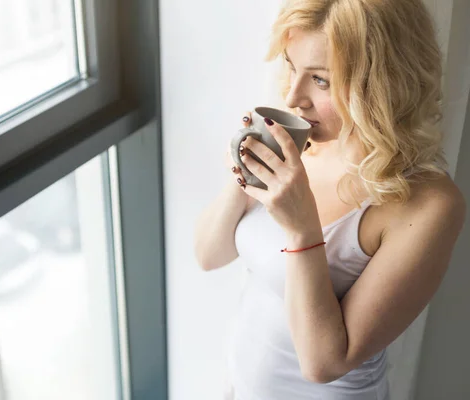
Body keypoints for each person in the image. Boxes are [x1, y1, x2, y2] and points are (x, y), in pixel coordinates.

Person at [193, 0, 467, 399]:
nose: (293, 97)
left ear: (384, 82)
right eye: (291, 65)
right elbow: (208, 256)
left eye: (321, 80)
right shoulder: (300, 141)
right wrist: (243, 175)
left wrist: (301, 225)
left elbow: (324, 363)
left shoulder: (429, 204)